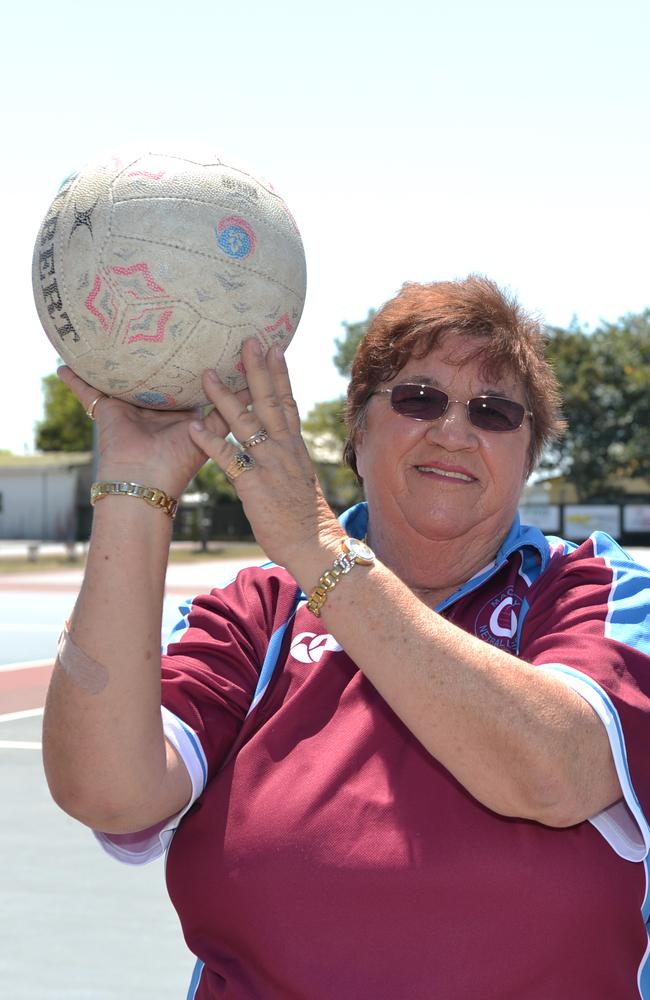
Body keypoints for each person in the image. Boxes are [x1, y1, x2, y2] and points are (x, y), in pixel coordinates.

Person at [43, 276, 650, 999]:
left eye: (493, 413)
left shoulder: (592, 590)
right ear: (358, 431)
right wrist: (134, 488)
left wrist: (320, 549)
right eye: (419, 398)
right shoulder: (260, 611)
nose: (453, 430)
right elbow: (107, 792)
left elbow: (555, 772)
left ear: (529, 457)